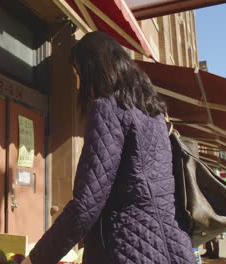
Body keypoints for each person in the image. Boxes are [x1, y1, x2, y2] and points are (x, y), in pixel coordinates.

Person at [20, 32, 194, 264]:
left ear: (92, 69)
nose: (78, 83)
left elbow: (86, 204)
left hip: (126, 249)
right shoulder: (154, 116)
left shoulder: (108, 109)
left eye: (77, 73)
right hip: (172, 247)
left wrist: (36, 259)